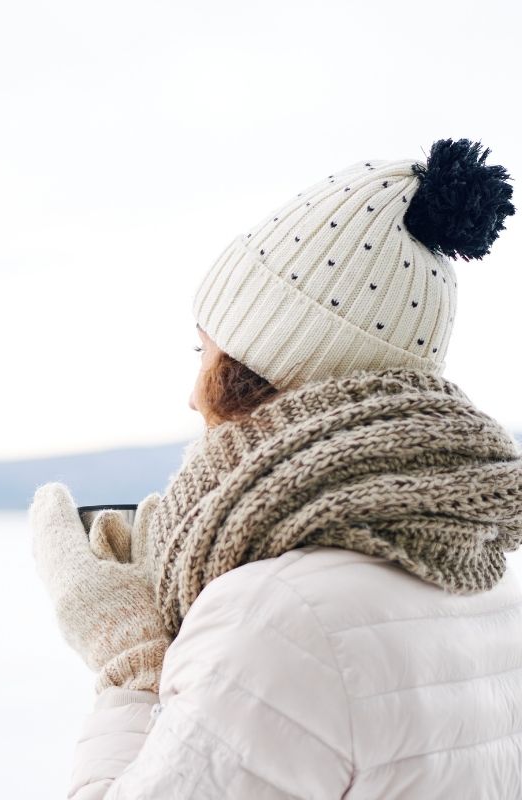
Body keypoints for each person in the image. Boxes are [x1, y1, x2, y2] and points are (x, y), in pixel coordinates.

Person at [29, 137, 522, 799]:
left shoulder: (275, 617)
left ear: (258, 369)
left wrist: (131, 668)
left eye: (201, 352)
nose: (192, 391)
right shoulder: (489, 580)